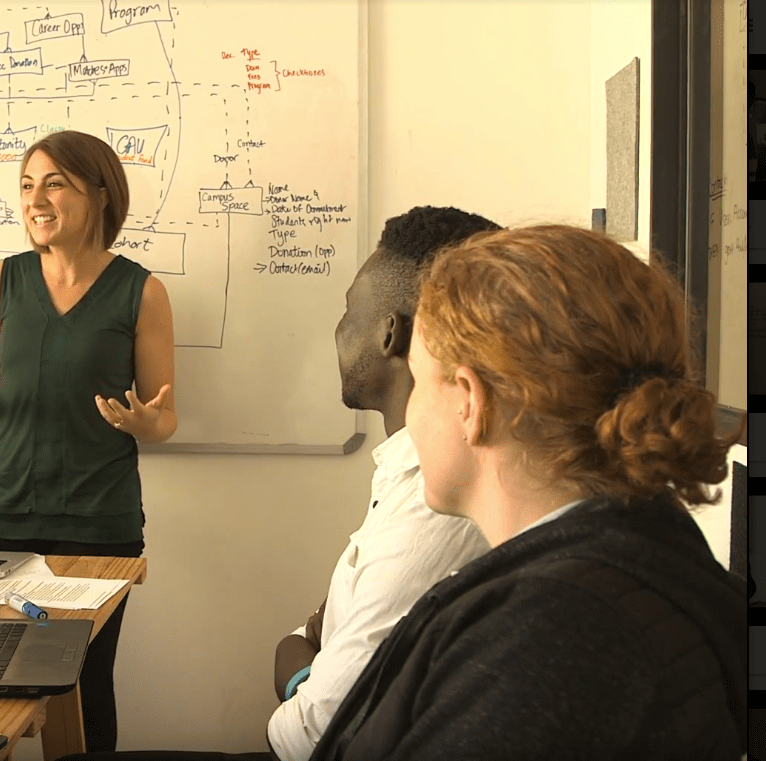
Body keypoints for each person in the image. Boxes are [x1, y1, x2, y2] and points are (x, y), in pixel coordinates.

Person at [51, 206, 498, 761]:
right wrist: (316, 644)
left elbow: (306, 735)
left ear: (391, 333)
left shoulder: (436, 504)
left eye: (347, 310)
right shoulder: (403, 472)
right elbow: (328, 631)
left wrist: (298, 661)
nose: (337, 330)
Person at [311, 224, 747, 760]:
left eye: (420, 381)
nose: (413, 411)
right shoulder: (639, 549)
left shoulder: (549, 641)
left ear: (470, 401)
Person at [0, 129, 176, 751]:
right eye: (27, 185)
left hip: (101, 522)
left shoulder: (143, 290)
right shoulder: (1, 280)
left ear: (100, 195)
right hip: (4, 514)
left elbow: (165, 417)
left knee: (86, 687)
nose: (36, 198)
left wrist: (144, 422)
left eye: (54, 183)